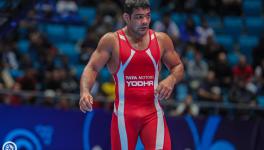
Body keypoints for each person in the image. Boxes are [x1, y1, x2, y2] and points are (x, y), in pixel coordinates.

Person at [79, 0, 184, 149]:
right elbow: (92, 68)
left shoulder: (161, 40)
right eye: (139, 17)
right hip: (124, 117)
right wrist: (85, 91)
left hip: (153, 115)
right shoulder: (112, 41)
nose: (145, 21)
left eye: (148, 16)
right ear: (126, 18)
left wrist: (171, 79)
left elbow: (178, 66)